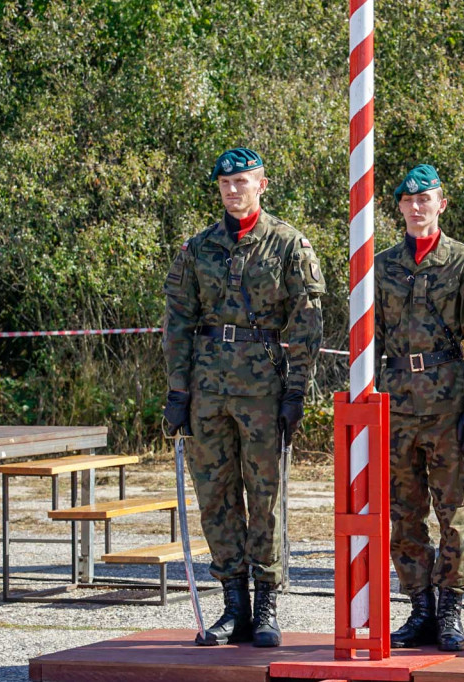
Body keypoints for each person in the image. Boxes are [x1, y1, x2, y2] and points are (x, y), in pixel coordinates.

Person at [162, 147, 326, 647]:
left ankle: (267, 603)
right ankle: (233, 603)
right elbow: (178, 321)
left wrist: (297, 389)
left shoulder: (287, 244)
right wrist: (177, 390)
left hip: (263, 388)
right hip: (208, 390)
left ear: (263, 184)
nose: (234, 191)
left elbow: (308, 321)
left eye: (243, 182)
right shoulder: (197, 248)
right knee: (216, 496)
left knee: (266, 497)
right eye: (226, 184)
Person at [375, 164, 464, 651]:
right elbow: (372, 338)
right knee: (403, 513)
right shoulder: (382, 264)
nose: (416, 207)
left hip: (449, 402)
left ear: (441, 203)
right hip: (397, 405)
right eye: (408, 201)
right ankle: (420, 607)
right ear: (400, 208)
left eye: (424, 199)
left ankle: (450, 609)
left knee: (453, 512)